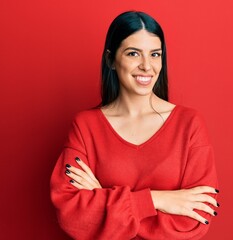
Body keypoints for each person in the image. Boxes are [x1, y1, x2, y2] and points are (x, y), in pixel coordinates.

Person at [50, 11, 219, 240]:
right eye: (133, 54)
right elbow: (72, 216)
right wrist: (158, 200)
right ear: (111, 59)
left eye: (155, 54)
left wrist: (104, 202)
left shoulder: (189, 125)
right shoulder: (85, 126)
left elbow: (196, 219)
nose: (147, 66)